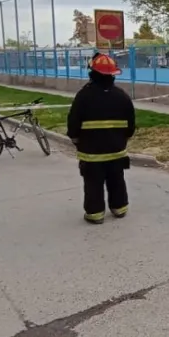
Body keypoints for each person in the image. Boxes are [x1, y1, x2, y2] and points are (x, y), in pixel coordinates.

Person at [66, 54, 136, 224]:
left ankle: (95, 214)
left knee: (93, 183)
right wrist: (122, 139)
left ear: (92, 73)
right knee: (117, 180)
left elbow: (73, 122)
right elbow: (130, 125)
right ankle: (120, 208)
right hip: (116, 151)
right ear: (112, 74)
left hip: (91, 153)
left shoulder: (83, 96)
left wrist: (75, 139)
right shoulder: (122, 96)